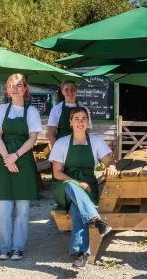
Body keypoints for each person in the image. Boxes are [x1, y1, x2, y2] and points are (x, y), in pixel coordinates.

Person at [49, 107, 117, 270]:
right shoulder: (62, 142)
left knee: (77, 209)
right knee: (72, 187)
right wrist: (77, 183)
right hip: (64, 187)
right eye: (77, 118)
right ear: (70, 122)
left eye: (84, 118)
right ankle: (97, 220)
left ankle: (81, 255)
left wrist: (112, 166)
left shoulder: (96, 141)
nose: (80, 122)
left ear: (88, 121)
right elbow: (57, 173)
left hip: (88, 189)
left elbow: (109, 161)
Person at [0, 74, 42, 261]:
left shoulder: (32, 112)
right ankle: (4, 248)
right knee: (3, 207)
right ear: (7, 88)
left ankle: (18, 248)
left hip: (24, 158)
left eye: (19, 85)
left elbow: (32, 139)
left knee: (22, 208)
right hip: (5, 159)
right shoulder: (1, 109)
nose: (14, 88)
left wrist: (15, 156)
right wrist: (7, 158)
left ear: (25, 88)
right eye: (11, 85)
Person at [47, 80, 92, 147]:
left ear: (76, 90)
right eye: (66, 89)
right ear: (62, 91)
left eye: (72, 89)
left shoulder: (84, 109)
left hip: (80, 146)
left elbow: (87, 130)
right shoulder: (56, 109)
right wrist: (56, 149)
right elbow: (51, 134)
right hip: (62, 145)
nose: (70, 92)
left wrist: (84, 147)